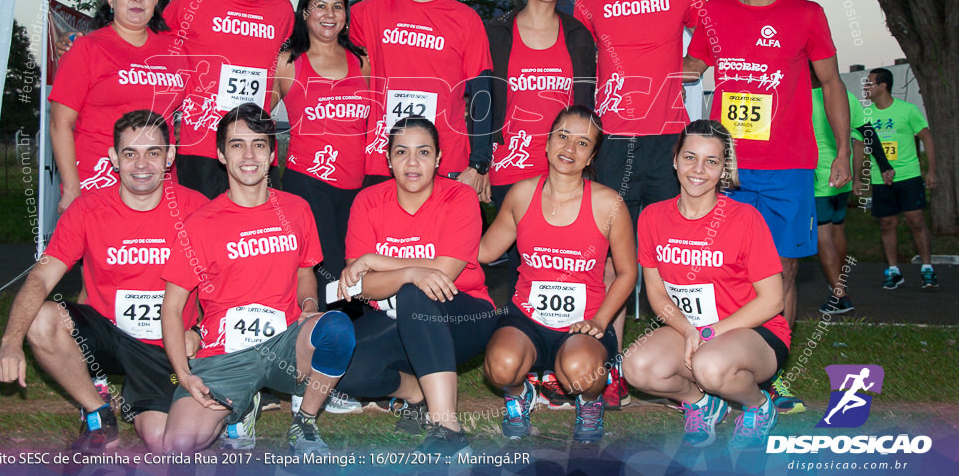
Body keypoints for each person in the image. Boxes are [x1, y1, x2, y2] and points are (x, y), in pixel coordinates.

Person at [684, 0, 851, 413]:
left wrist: (844, 150)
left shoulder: (807, 14)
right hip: (725, 168)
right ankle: (715, 373)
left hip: (788, 169)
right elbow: (691, 69)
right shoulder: (713, 13)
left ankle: (773, 377)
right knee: (720, 271)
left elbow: (834, 84)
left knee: (779, 275)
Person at [0, 110, 207, 452]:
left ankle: (231, 403)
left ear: (170, 156)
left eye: (153, 152)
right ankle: (98, 413)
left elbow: (226, 283)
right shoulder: (87, 210)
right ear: (113, 159)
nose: (142, 164)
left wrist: (201, 331)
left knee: (165, 442)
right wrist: (10, 342)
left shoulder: (198, 210)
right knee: (44, 319)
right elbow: (42, 277)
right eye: (130, 153)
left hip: (172, 346)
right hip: (110, 337)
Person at [160, 104, 355, 455]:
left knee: (337, 329)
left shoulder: (296, 209)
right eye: (237, 145)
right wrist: (184, 375)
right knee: (178, 443)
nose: (249, 155)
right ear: (221, 154)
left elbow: (304, 272)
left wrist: (309, 306)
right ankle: (242, 406)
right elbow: (171, 308)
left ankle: (305, 424)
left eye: (259, 144)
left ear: (272, 152)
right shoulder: (199, 223)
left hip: (286, 342)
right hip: (225, 354)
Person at [575, 0, 705, 408]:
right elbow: (576, 68)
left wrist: (693, 65)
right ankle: (612, 373)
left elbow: (717, 39)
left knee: (674, 259)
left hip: (669, 142)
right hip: (613, 143)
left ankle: (690, 368)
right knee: (612, 261)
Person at [623, 119, 791, 450]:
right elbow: (656, 291)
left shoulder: (745, 219)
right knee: (636, 367)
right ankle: (701, 403)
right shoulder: (652, 217)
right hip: (692, 328)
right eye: (690, 157)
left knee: (709, 365)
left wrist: (711, 333)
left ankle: (758, 407)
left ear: (723, 168)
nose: (698, 169)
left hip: (755, 331)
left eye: (711, 161)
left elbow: (772, 301)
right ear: (675, 160)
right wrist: (687, 329)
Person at [335, 117, 498, 458]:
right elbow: (362, 286)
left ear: (439, 159)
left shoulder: (460, 196)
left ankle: (448, 428)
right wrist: (406, 271)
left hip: (461, 314)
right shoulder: (367, 201)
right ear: (389, 159)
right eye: (402, 152)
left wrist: (378, 260)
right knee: (341, 364)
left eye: (423, 152)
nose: (412, 163)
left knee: (416, 291)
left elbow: (444, 273)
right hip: (395, 317)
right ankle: (416, 393)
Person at [480, 106, 635, 443]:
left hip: (584, 324)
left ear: (592, 154)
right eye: (563, 136)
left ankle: (590, 402)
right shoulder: (521, 195)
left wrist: (601, 320)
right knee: (500, 366)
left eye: (583, 143)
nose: (569, 148)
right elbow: (483, 253)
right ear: (548, 142)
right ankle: (521, 395)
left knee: (582, 373)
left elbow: (626, 273)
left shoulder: (609, 204)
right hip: (527, 318)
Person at [348, 0, 493, 198]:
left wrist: (480, 162)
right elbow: (319, 36)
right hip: (383, 162)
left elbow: (482, 94)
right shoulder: (370, 13)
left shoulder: (467, 20)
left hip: (447, 165)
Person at [163, 0, 294, 198]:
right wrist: (90, 37)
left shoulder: (283, 11)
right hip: (202, 150)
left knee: (256, 239)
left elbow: (291, 69)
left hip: (256, 150)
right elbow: (145, 46)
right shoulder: (192, 1)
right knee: (199, 237)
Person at [485, 0, 596, 267]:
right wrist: (480, 163)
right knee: (520, 261)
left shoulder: (578, 36)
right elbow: (482, 101)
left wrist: (586, 161)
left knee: (557, 257)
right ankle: (513, 317)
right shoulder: (496, 33)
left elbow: (585, 107)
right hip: (510, 165)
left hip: (563, 165)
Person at [49, 0, 188, 213]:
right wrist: (71, 188)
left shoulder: (174, 50)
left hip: (159, 182)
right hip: (99, 179)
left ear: (156, 0)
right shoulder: (86, 48)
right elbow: (60, 123)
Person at [272, 0, 370, 312]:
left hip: (356, 187)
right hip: (309, 185)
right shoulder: (288, 61)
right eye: (320, 6)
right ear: (304, 12)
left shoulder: (362, 60)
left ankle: (356, 349)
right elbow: (257, 116)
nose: (329, 14)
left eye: (337, 7)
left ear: (346, 15)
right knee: (325, 277)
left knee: (357, 275)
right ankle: (322, 347)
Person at [811, 65, 893, 314]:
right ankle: (839, 284)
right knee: (838, 231)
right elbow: (868, 131)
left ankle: (839, 295)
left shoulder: (799, 95)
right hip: (842, 175)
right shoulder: (841, 93)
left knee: (822, 236)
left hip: (819, 177)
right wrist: (884, 164)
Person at [861, 68, 939, 289]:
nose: (866, 88)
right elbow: (858, 145)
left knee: (916, 221)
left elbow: (927, 138)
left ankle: (927, 268)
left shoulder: (907, 110)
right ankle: (894, 270)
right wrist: (858, 178)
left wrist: (931, 171)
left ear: (883, 85)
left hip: (909, 176)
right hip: (879, 179)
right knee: (887, 224)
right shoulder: (866, 115)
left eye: (870, 83)